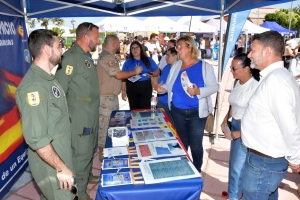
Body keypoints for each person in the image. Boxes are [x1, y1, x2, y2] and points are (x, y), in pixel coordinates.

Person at [15, 29, 76, 200]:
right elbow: (37, 139)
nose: (62, 49)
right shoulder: (34, 87)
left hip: (59, 155)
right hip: (51, 165)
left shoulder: (48, 79)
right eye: (59, 45)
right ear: (47, 50)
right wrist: (61, 168)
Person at [242, 31, 300, 199]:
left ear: (267, 52)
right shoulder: (277, 77)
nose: (249, 54)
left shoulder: (276, 81)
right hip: (265, 161)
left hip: (265, 162)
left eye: (253, 50)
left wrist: (296, 158)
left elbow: (290, 125)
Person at [156, 35, 218, 172]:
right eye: (176, 47)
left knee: (196, 144)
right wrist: (162, 89)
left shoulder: (205, 67)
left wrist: (198, 91)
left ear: (190, 48)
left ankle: (196, 171)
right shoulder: (176, 65)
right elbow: (170, 84)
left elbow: (214, 87)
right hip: (178, 111)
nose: (177, 49)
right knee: (182, 142)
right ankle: (183, 168)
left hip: (197, 112)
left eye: (180, 46)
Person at [55, 22, 100, 200]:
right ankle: (80, 193)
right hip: (80, 119)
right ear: (86, 36)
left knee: (89, 150)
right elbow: (59, 91)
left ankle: (87, 176)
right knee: (81, 155)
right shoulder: (71, 58)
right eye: (96, 37)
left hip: (90, 115)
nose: (98, 41)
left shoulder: (85, 56)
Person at [220, 53, 260, 200]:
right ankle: (236, 192)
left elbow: (259, 117)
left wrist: (241, 132)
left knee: (237, 167)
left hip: (247, 128)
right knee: (235, 165)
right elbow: (233, 103)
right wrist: (225, 119)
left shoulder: (256, 86)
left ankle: (234, 196)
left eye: (234, 69)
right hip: (236, 125)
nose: (232, 71)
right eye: (231, 68)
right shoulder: (236, 82)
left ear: (247, 69)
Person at [97, 35, 142, 161]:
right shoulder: (107, 57)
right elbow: (118, 75)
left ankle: (107, 153)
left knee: (110, 126)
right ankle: (103, 156)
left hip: (110, 98)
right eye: (118, 44)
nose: (120, 46)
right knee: (105, 127)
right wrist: (135, 71)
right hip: (106, 99)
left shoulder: (108, 56)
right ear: (114, 44)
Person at [121, 41, 160, 110]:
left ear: (141, 49)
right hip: (132, 87)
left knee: (145, 110)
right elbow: (123, 77)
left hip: (145, 87)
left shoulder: (148, 60)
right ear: (130, 50)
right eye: (132, 48)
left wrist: (152, 74)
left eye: (137, 47)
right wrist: (123, 91)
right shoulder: (128, 62)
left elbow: (157, 71)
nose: (135, 50)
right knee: (134, 110)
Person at [154, 47, 178, 125]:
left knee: (173, 126)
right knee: (161, 124)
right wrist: (157, 95)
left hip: (172, 104)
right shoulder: (166, 67)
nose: (166, 57)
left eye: (168, 55)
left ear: (176, 56)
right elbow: (160, 82)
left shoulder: (180, 69)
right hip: (161, 101)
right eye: (166, 55)